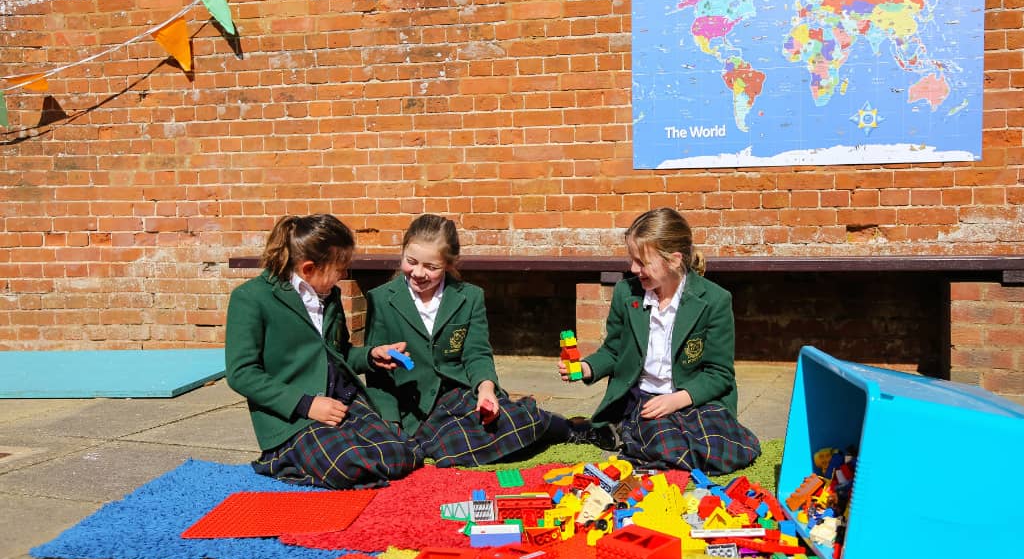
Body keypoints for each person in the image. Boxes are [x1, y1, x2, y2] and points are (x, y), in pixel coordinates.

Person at [363, 214, 610, 467]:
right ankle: (519, 430)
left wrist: (486, 389)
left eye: (431, 267)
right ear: (402, 253)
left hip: (460, 395)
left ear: (449, 264)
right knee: (447, 452)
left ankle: (568, 429)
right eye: (411, 262)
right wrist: (390, 423)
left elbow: (476, 353)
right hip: (412, 409)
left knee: (507, 421)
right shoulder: (381, 299)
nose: (418, 273)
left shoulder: (469, 297)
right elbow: (378, 373)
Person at [558, 207, 761, 475]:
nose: (633, 269)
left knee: (721, 448)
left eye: (642, 262)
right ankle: (629, 431)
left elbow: (719, 374)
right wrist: (585, 368)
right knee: (664, 441)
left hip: (693, 400)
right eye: (632, 260)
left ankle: (630, 439)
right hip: (645, 399)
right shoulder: (625, 292)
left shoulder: (714, 300)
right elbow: (613, 350)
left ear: (674, 260)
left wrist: (678, 400)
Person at [225, 214, 422, 489]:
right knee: (349, 463)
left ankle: (327, 452)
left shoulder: (330, 295)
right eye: (339, 268)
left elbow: (336, 353)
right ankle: (280, 458)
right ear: (308, 269)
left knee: (402, 453)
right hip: (296, 417)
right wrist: (308, 404)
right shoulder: (250, 299)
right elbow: (241, 374)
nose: (343, 275)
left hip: (342, 401)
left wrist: (372, 355)